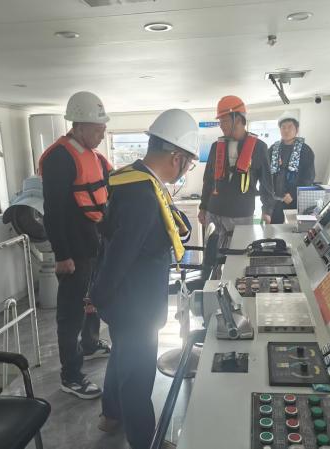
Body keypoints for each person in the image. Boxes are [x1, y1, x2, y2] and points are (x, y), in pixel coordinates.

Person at [92, 109, 198, 449]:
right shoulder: (143, 195)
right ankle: (144, 441)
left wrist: (101, 295)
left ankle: (111, 415)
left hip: (125, 299)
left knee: (121, 357)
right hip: (135, 304)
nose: (186, 170)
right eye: (189, 164)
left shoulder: (136, 179)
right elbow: (120, 253)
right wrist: (97, 296)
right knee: (138, 375)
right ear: (177, 157)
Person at [39, 91, 112, 400]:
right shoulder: (59, 157)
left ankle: (91, 344)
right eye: (98, 128)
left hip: (93, 245)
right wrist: (62, 255)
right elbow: (53, 210)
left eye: (104, 128)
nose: (102, 134)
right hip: (74, 252)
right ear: (79, 126)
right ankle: (70, 375)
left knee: (92, 301)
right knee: (71, 314)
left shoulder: (92, 155)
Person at [198, 95, 275, 246]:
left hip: (240, 214)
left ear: (239, 119)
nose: (221, 125)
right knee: (212, 255)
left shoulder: (259, 147)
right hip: (214, 213)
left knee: (238, 255)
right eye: (220, 121)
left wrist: (267, 210)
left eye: (225, 121)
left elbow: (266, 183)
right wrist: (203, 207)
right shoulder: (216, 147)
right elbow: (208, 179)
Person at [269, 110, 316, 224]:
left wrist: (293, 194)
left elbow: (309, 177)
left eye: (290, 127)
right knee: (274, 228)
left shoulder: (305, 150)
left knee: (292, 229)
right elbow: (266, 172)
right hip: (275, 200)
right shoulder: (273, 149)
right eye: (283, 127)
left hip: (294, 200)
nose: (286, 130)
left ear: (297, 129)